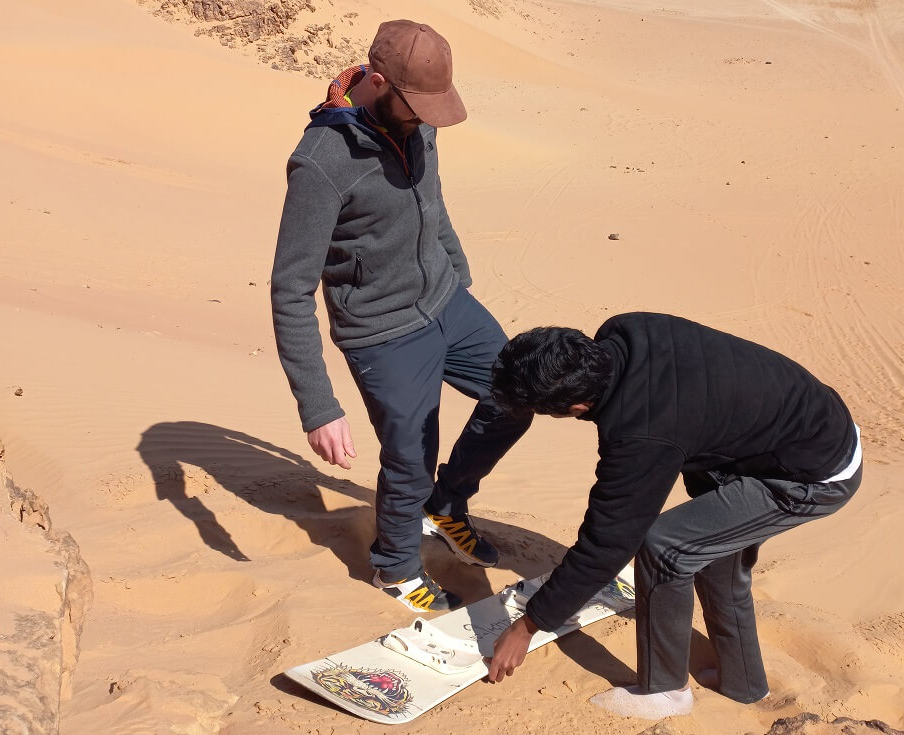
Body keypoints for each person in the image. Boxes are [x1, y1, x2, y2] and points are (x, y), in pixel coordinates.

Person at [271, 20, 531, 613]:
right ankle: (394, 567)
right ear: (380, 83)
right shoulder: (321, 162)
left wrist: (457, 274)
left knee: (521, 391)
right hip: (383, 333)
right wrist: (317, 405)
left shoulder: (415, 120)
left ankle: (448, 504)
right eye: (418, 109)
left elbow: (431, 204)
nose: (427, 122)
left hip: (447, 302)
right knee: (408, 461)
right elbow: (290, 289)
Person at [485, 313, 862, 720]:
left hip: (812, 474)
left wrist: (528, 626)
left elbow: (607, 544)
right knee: (712, 555)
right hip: (807, 427)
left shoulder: (640, 434)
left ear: (575, 406)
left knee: (666, 546)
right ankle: (743, 684)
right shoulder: (629, 331)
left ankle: (665, 692)